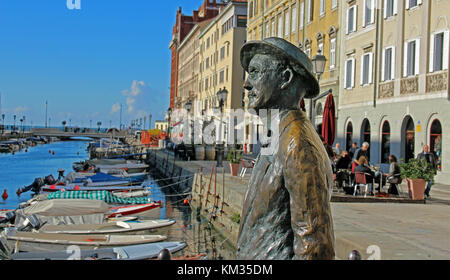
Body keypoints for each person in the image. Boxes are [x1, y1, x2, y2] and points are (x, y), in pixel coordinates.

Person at [236, 37, 335, 260]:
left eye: (255, 72)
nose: (246, 83)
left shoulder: (298, 144)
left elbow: (314, 245)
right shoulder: (279, 135)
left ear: (285, 78)